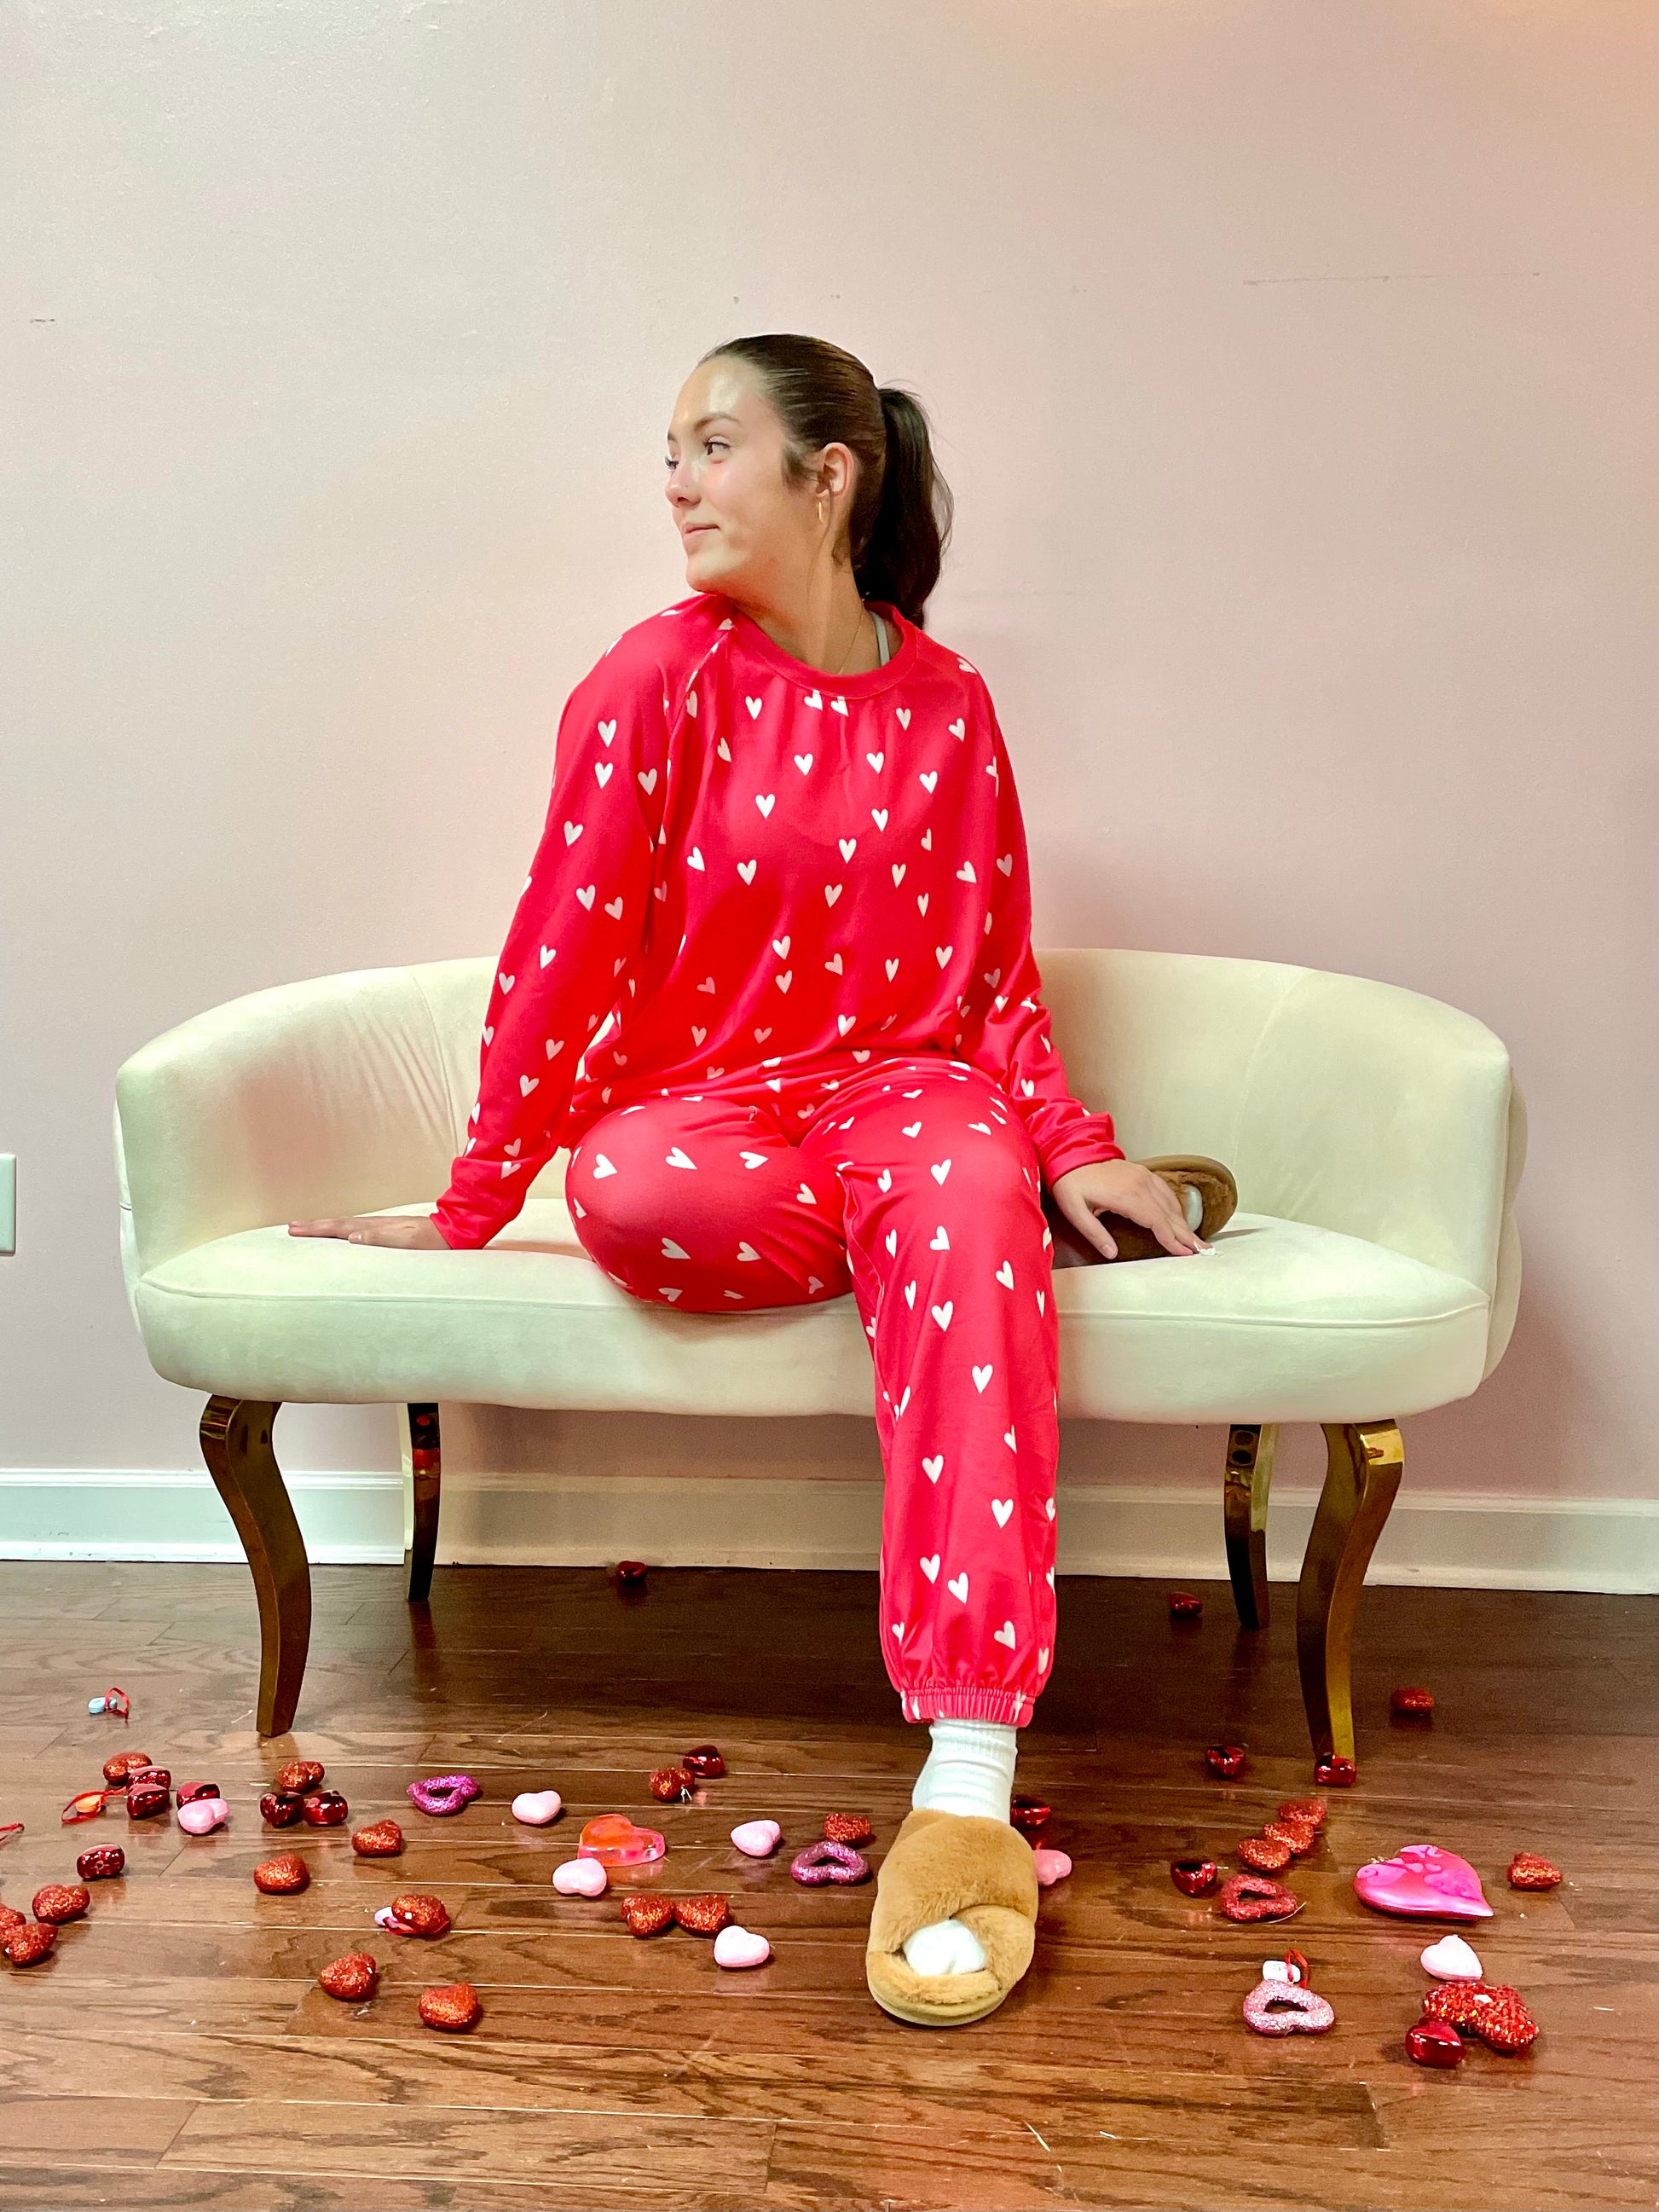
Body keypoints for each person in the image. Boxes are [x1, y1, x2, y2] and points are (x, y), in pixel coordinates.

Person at [290, 333, 1215, 2025]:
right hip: (706, 1114)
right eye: (668, 451)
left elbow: (994, 979)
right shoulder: (654, 678)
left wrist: (1067, 1145)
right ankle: (966, 1242)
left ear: (827, 474)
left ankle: (968, 1769)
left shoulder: (950, 705)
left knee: (957, 1174)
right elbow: (560, 955)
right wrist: (478, 1197)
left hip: (914, 1094)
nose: (674, 484)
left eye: (709, 445)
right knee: (635, 1193)